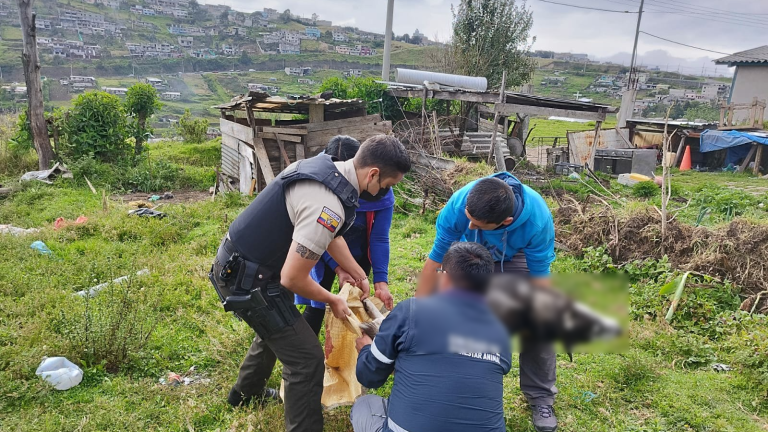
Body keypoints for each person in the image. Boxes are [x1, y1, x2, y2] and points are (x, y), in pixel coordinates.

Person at [209, 135, 411, 432]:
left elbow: (333, 236)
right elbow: (293, 278)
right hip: (247, 278)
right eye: (388, 185)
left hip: (249, 266)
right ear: (373, 174)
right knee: (306, 359)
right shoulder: (327, 204)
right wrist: (332, 299)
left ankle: (245, 394)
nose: (385, 192)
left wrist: (357, 273)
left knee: (280, 331)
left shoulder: (329, 171)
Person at [414, 173, 558, 432]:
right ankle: (451, 385)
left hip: (515, 256)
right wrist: (419, 307)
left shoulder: (537, 220)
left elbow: (540, 276)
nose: (469, 225)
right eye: (468, 219)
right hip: (469, 254)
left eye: (476, 223)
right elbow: (437, 257)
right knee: (454, 313)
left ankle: (540, 397)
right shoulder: (461, 204)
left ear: (506, 221)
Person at [351, 242, 511, 432]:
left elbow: (369, 377)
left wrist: (366, 349)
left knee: (364, 406)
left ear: (443, 277)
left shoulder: (411, 310)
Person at [296, 135, 395, 337]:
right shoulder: (318, 183)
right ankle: (308, 351)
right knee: (317, 304)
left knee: (358, 302)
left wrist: (381, 281)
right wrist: (338, 267)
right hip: (321, 248)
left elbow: (379, 237)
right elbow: (320, 235)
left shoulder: (380, 187)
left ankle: (358, 351)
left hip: (358, 248)